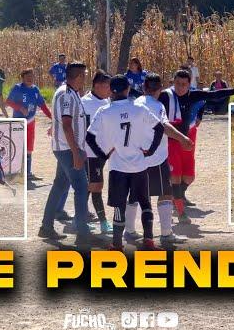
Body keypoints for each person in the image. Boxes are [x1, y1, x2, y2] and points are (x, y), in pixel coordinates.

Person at [158, 69, 234, 224]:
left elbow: (215, 94)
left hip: (187, 138)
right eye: (177, 83)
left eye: (184, 84)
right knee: (175, 177)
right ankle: (180, 210)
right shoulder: (166, 95)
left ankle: (173, 196)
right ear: (173, 82)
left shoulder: (194, 95)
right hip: (171, 140)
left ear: (189, 84)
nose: (180, 87)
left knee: (189, 177)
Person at [86, 75, 165, 251]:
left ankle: (117, 244)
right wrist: (151, 151)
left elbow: (89, 137)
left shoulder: (104, 111)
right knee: (145, 203)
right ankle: (149, 240)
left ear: (110, 91)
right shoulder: (140, 108)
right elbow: (160, 128)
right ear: (128, 89)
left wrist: (103, 155)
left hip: (118, 167)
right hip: (139, 165)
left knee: (119, 206)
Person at [125, 73, 194, 245]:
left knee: (135, 193)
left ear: (144, 88)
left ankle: (130, 230)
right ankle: (166, 233)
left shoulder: (134, 104)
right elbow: (164, 127)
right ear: (160, 89)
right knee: (165, 193)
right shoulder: (158, 106)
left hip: (134, 158)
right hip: (156, 158)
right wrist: (183, 138)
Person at [38, 62, 101, 245]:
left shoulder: (70, 92)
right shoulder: (67, 95)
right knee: (82, 188)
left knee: (59, 185)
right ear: (79, 76)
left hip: (65, 148)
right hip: (68, 149)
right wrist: (76, 152)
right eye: (85, 74)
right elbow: (66, 124)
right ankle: (82, 233)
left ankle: (46, 226)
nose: (86, 77)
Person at [80, 70, 113, 235]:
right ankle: (103, 222)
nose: (110, 89)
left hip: (103, 153)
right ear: (98, 86)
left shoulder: (107, 102)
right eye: (108, 86)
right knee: (96, 186)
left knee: (88, 186)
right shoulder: (84, 103)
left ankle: (80, 218)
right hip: (90, 153)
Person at [6, 68, 52, 181]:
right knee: (18, 146)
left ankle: (28, 173)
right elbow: (8, 102)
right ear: (22, 78)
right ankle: (14, 172)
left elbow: (42, 105)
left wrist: (52, 117)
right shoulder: (17, 88)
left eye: (31, 77)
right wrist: (20, 108)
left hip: (31, 122)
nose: (30, 79)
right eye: (27, 77)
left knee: (29, 148)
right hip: (19, 122)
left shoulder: (35, 89)